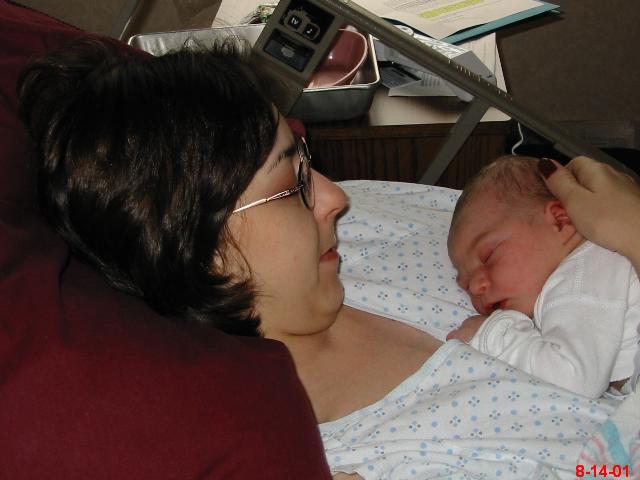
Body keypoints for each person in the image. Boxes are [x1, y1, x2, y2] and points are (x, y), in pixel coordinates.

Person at [16, 37, 623, 479]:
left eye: (307, 161)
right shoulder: (326, 453)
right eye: (293, 183)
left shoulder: (372, 226)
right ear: (197, 243)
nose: (337, 197)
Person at [446, 155, 640, 398]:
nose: (475, 287)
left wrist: (492, 334)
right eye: (465, 284)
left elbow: (571, 378)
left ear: (560, 221)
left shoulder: (580, 275)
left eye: (488, 256)